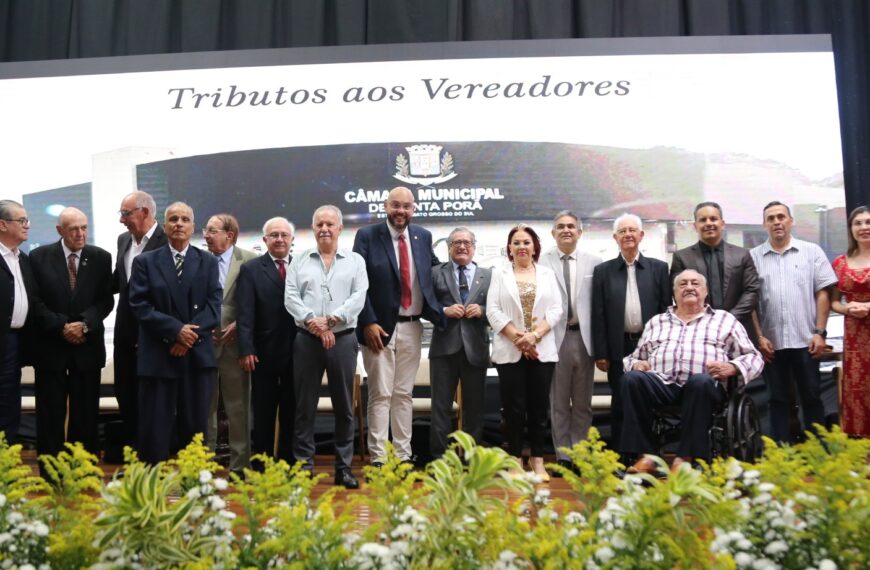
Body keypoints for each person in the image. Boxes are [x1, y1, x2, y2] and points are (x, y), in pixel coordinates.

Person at [621, 270, 763, 474]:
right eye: (683, 284)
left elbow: (754, 357)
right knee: (631, 380)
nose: (689, 287)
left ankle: (685, 458)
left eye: (695, 283)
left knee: (700, 382)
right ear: (674, 292)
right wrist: (636, 365)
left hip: (705, 387)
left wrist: (732, 367)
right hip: (662, 384)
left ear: (705, 292)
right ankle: (646, 458)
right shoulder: (657, 321)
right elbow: (634, 357)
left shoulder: (724, 320)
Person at [353, 186, 441, 466]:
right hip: (378, 330)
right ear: (385, 206)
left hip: (413, 327)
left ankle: (403, 456)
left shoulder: (423, 237)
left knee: (404, 394)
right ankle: (379, 457)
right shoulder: (367, 236)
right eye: (395, 205)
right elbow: (358, 282)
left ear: (413, 208)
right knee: (380, 393)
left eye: (406, 206)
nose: (401, 211)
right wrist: (367, 321)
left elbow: (436, 273)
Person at [128, 202, 222, 463]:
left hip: (196, 356)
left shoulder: (208, 262)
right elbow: (140, 305)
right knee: (154, 429)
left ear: (193, 227)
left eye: (184, 219)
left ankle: (195, 488)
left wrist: (188, 337)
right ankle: (151, 488)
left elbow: (214, 307)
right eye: (173, 219)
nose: (179, 224)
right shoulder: (145, 262)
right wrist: (175, 332)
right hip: (159, 355)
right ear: (165, 225)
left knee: (195, 430)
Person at [285, 205, 368, 489]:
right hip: (307, 339)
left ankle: (344, 468)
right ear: (313, 228)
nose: (324, 229)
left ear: (340, 228)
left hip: (343, 339)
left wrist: (332, 320)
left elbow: (359, 296)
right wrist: (315, 323)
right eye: (319, 224)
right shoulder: (298, 260)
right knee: (303, 406)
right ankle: (303, 467)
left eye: (330, 224)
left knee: (344, 406)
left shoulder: (355, 261)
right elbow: (291, 298)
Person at [29, 207, 114, 458]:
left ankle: (83, 469)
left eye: (84, 227)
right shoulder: (38, 257)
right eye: (74, 229)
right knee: (50, 415)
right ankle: (52, 472)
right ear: (60, 230)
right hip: (51, 350)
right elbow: (35, 302)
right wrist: (62, 326)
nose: (80, 233)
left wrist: (83, 325)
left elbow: (105, 301)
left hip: (86, 349)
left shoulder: (101, 257)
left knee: (86, 415)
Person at [750, 201, 838, 444]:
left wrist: (820, 332)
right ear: (764, 224)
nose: (777, 222)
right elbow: (751, 302)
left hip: (806, 340)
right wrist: (759, 337)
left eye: (781, 216)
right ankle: (780, 454)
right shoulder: (753, 257)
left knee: (811, 397)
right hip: (771, 344)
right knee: (777, 400)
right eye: (771, 218)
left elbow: (823, 293)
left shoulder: (812, 252)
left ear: (791, 221)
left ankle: (817, 453)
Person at [486, 224, 562, 481]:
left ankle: (539, 460)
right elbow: (492, 310)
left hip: (542, 350)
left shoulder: (548, 274)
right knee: (513, 409)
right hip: (510, 350)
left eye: (526, 242)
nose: (521, 247)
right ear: (509, 248)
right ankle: (515, 460)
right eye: (516, 242)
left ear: (535, 247)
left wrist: (534, 336)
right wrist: (518, 338)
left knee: (539, 408)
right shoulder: (499, 274)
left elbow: (556, 310)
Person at [591, 213, 671, 457]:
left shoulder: (659, 268)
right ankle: (621, 454)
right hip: (618, 348)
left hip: (651, 349)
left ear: (641, 236)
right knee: (620, 402)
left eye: (632, 230)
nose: (628, 234)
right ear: (615, 237)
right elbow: (599, 314)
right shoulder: (603, 271)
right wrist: (601, 353)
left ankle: (648, 455)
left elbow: (666, 311)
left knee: (647, 401)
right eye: (622, 231)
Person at [538, 211, 601, 474]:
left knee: (583, 402)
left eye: (571, 226)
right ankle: (564, 457)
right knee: (559, 402)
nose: (566, 230)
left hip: (585, 340)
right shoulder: (540, 262)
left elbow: (600, 306)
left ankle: (582, 454)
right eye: (560, 227)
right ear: (553, 233)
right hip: (554, 339)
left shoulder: (596, 263)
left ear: (580, 232)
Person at [236, 217, 298, 465]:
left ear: (292, 240)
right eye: (274, 235)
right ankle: (261, 463)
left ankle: (289, 462)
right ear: (265, 240)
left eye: (284, 235)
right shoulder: (251, 269)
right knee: (263, 410)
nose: (280, 239)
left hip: (297, 352)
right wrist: (246, 348)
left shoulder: (303, 267)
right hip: (262, 353)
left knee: (292, 410)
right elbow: (244, 313)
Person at [428, 227, 492, 458]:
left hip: (476, 349)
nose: (462, 246)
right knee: (441, 408)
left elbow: (499, 308)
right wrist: (444, 310)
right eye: (456, 242)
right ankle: (440, 461)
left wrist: (483, 310)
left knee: (475, 409)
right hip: (444, 349)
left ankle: (471, 459)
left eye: (467, 242)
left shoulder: (489, 275)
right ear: (448, 248)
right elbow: (425, 306)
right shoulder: (435, 273)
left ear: (474, 247)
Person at [203, 213, 258, 474]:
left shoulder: (250, 260)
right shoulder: (199, 260)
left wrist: (240, 325)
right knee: (205, 407)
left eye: (212, 231)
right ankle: (204, 464)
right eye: (206, 230)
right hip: (203, 343)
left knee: (238, 408)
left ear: (230, 235)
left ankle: (239, 466)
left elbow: (260, 302)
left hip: (236, 344)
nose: (206, 235)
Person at [112, 191, 167, 450]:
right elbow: (118, 282)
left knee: (153, 401)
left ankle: (154, 458)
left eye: (126, 214)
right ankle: (135, 456)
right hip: (124, 334)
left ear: (145, 212)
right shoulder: (123, 240)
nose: (122, 220)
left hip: (153, 335)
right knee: (126, 394)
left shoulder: (167, 240)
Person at [670, 201, 759, 341]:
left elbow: (751, 291)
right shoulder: (682, 257)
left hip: (738, 328)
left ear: (722, 223)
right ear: (695, 226)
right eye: (703, 220)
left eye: (713, 219)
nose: (708, 223)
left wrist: (728, 320)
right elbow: (680, 295)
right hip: (698, 332)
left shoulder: (742, 254)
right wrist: (706, 321)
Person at [831, 205, 870, 437]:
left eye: (868, 222)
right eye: (858, 223)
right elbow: (834, 302)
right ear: (851, 229)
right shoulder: (840, 263)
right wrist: (847, 308)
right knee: (858, 390)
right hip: (855, 335)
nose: (864, 227)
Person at [0, 200, 36, 443]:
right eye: (21, 220)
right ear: (3, 224)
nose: (27, 226)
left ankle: (8, 462)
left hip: (16, 342)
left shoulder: (23, 258)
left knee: (10, 402)